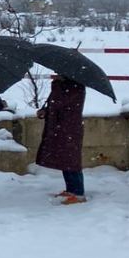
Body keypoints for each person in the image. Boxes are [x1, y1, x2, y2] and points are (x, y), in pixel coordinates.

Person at [36, 76, 87, 204]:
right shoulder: (65, 86)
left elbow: (59, 102)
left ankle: (78, 193)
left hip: (69, 129)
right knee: (65, 160)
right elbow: (55, 106)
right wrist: (46, 111)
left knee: (71, 160)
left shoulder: (75, 87)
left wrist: (56, 84)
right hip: (63, 129)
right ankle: (71, 189)